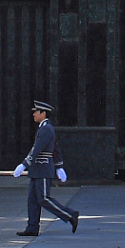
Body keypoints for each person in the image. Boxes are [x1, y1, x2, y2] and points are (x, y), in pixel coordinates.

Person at [13, 100, 80, 236]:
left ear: (43, 113)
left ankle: (70, 214)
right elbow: (55, 149)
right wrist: (59, 166)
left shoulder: (46, 129)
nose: (33, 114)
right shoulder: (44, 128)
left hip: (43, 168)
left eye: (36, 112)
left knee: (43, 198)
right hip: (38, 169)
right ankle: (32, 227)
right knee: (33, 200)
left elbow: (37, 149)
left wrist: (24, 164)